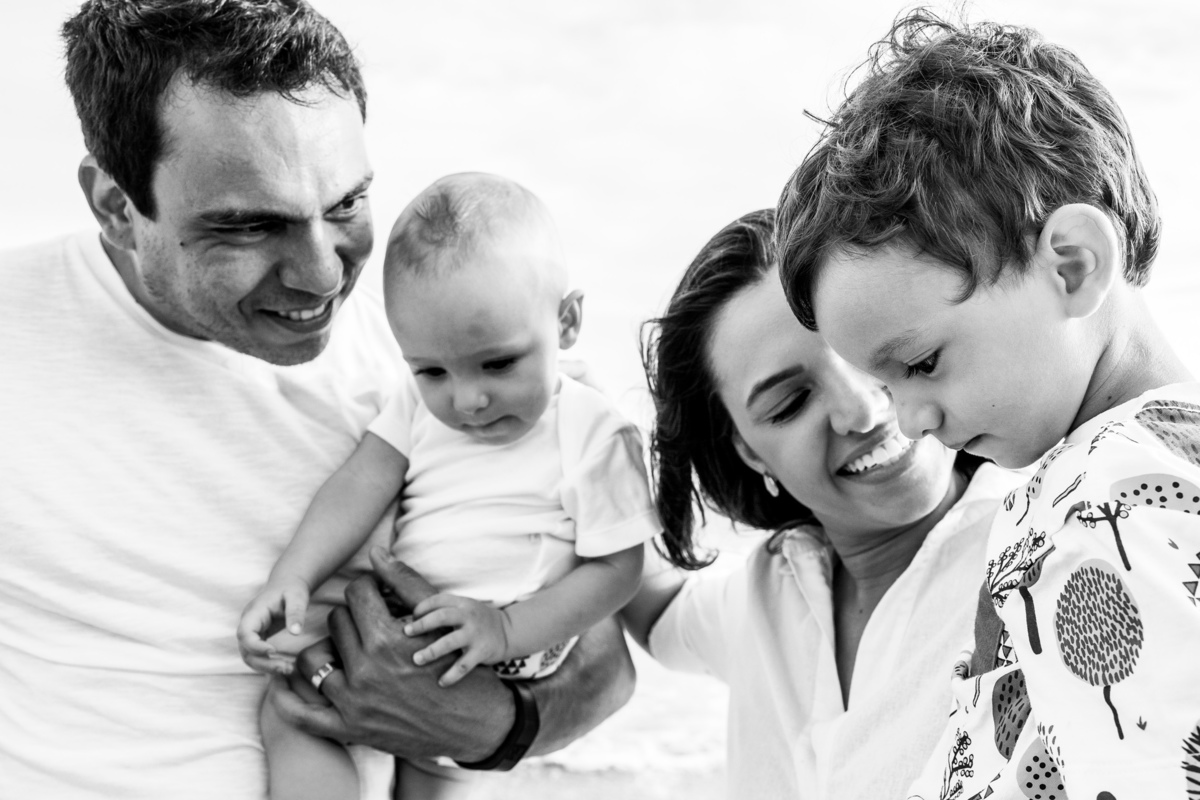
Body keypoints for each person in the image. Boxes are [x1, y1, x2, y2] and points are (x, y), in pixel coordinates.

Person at [0, 2, 632, 797]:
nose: (323, 275)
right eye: (248, 226)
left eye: (345, 205)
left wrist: (487, 726)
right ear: (117, 206)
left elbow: (605, 667)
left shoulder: (447, 365)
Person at [776, 11, 1200, 799]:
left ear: (1072, 265)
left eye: (922, 363)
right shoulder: (1160, 465)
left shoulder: (1097, 505)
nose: (909, 419)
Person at [238, 173, 654, 800]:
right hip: (409, 625)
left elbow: (618, 567)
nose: (469, 400)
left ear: (566, 322)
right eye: (432, 370)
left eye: (499, 363)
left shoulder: (594, 431)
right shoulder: (413, 405)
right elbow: (360, 482)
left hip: (505, 640)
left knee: (435, 772)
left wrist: (504, 630)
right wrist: (291, 576)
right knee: (292, 706)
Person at [622, 208, 1023, 799]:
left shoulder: (1039, 553)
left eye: (871, 356)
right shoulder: (767, 590)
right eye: (790, 403)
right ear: (750, 453)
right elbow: (657, 612)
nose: (860, 410)